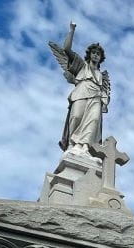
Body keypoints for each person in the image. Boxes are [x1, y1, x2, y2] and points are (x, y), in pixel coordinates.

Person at [49, 22, 111, 155]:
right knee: (76, 117)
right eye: (93, 53)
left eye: (98, 54)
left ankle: (85, 147)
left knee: (94, 120)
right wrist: (72, 30)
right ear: (89, 55)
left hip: (96, 97)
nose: (95, 55)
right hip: (81, 93)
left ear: (101, 58)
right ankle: (72, 145)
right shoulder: (82, 66)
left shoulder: (101, 75)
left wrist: (105, 100)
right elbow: (66, 49)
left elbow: (105, 91)